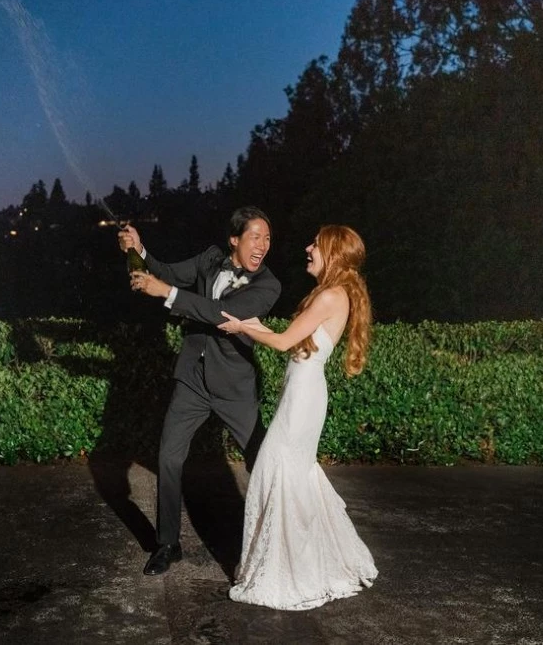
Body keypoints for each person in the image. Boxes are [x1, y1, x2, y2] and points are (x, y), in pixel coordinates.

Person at [217, 224, 378, 610]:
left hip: (304, 397)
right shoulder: (333, 294)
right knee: (290, 473)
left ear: (333, 254)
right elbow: (292, 337)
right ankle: (302, 561)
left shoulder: (330, 296)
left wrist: (243, 327)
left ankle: (289, 569)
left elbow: (285, 342)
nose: (308, 248)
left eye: (316, 246)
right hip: (303, 392)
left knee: (277, 467)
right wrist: (255, 326)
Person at [119, 207, 281, 576]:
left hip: (235, 387)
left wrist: (168, 294)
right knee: (169, 458)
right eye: (256, 237)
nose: (263, 245)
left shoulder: (269, 284)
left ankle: (273, 541)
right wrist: (140, 252)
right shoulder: (210, 259)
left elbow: (222, 313)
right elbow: (168, 273)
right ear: (234, 240)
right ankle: (167, 544)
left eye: (267, 238)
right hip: (192, 379)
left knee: (264, 459)